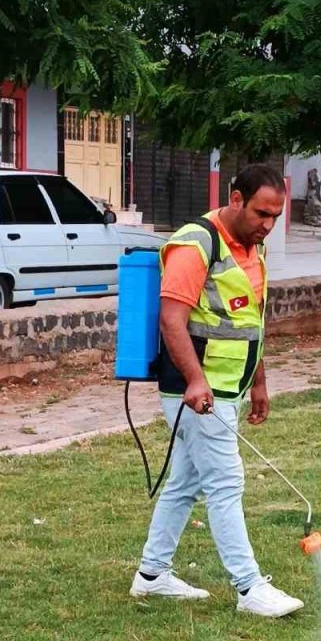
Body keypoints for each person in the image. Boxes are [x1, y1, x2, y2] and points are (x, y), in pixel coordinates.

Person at [130, 164, 304, 618]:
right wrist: (194, 379)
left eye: (275, 216)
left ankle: (151, 576)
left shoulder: (252, 251)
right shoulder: (196, 244)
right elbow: (172, 320)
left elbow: (251, 324)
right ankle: (249, 588)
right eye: (261, 213)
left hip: (229, 390)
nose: (267, 224)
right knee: (226, 484)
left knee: (186, 483)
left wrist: (260, 382)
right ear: (235, 198)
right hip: (196, 394)